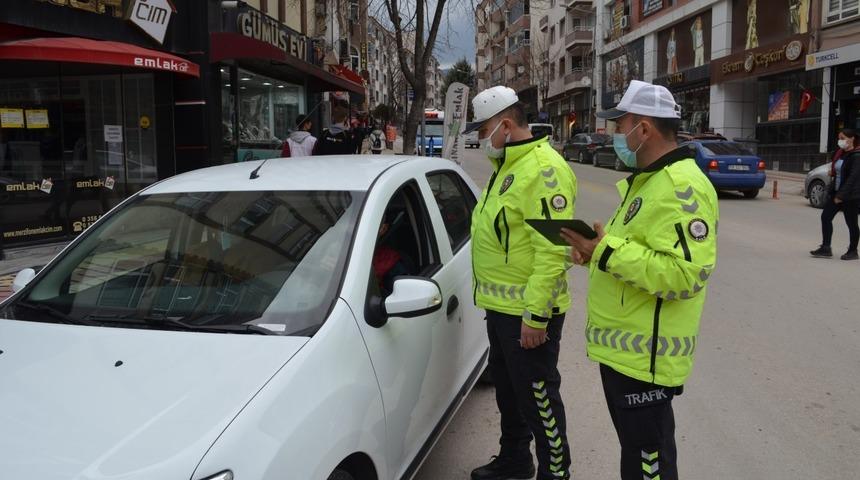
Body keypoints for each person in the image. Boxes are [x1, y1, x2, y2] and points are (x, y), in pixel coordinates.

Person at [560, 80, 719, 480]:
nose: (615, 134)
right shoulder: (646, 182)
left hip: (645, 362)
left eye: (621, 124)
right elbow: (631, 252)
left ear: (644, 129)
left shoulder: (682, 187)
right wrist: (594, 253)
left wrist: (606, 251)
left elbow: (687, 274)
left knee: (650, 466)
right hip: (625, 355)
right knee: (637, 458)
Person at [464, 86, 577, 480]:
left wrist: (535, 315)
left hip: (528, 314)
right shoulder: (507, 168)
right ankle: (515, 459)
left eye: (483, 130)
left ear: (506, 125)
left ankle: (556, 473)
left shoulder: (545, 171)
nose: (480, 139)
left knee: (539, 400)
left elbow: (553, 253)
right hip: (501, 309)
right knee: (510, 395)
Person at [810, 129, 860, 260]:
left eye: (843, 138)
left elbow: (853, 178)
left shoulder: (857, 156)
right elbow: (838, 174)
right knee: (825, 217)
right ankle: (826, 248)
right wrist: (832, 189)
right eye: (839, 138)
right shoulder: (841, 154)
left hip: (850, 195)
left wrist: (840, 196)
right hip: (837, 192)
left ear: (852, 139)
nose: (840, 141)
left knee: (852, 223)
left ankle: (853, 250)